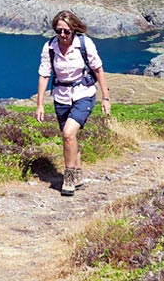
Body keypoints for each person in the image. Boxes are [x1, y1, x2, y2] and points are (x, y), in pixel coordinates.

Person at [35, 10, 111, 196]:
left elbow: (98, 69)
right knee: (70, 137)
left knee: (68, 133)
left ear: (74, 30)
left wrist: (105, 98)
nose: (62, 35)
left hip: (83, 94)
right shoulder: (50, 47)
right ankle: (77, 176)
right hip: (61, 97)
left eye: (66, 31)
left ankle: (68, 178)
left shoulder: (85, 44)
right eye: (59, 31)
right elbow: (44, 74)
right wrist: (40, 104)